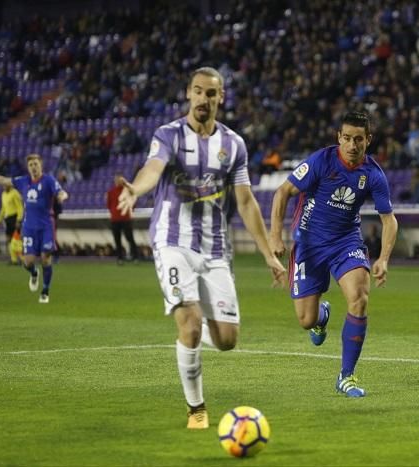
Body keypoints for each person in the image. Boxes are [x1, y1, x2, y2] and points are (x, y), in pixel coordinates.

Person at [116, 67, 286, 429]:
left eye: (211, 93)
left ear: (220, 97)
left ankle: (195, 331)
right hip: (172, 241)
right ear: (188, 94)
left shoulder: (233, 144)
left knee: (227, 340)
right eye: (197, 92)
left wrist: (268, 252)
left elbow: (245, 202)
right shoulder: (169, 135)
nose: (203, 99)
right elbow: (153, 167)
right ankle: (196, 408)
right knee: (190, 322)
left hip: (215, 248)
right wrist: (136, 189)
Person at [269, 110, 399, 398]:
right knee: (306, 320)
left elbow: (389, 220)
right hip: (309, 245)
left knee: (360, 298)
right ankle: (321, 316)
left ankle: (346, 376)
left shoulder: (373, 175)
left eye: (359, 140)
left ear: (368, 140)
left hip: (345, 242)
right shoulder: (321, 161)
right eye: (347, 138)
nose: (352, 145)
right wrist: (275, 235)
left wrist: (384, 258)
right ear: (339, 138)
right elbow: (282, 192)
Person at [0, 154, 69, 303]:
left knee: (46, 257)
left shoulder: (48, 180)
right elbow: (3, 180)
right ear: (28, 167)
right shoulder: (23, 181)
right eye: (31, 165)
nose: (33, 167)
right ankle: (34, 273)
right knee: (28, 261)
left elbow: (60, 191)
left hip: (46, 226)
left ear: (41, 165)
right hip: (29, 227)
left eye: (36, 164)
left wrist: (62, 195)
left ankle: (45, 290)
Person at [106, 173, 138, 264]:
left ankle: (135, 256)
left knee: (130, 238)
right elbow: (109, 205)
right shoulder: (110, 192)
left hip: (125, 219)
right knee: (117, 240)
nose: (117, 182)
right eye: (116, 180)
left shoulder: (127, 191)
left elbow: (133, 202)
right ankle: (120, 258)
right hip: (115, 219)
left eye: (119, 180)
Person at [0, 185, 24, 264]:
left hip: (14, 218)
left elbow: (20, 207)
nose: (3, 186)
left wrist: (19, 220)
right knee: (9, 239)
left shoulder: (15, 193)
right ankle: (14, 259)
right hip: (7, 219)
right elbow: (3, 208)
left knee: (16, 240)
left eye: (5, 185)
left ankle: (22, 259)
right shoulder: (3, 194)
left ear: (9, 185)